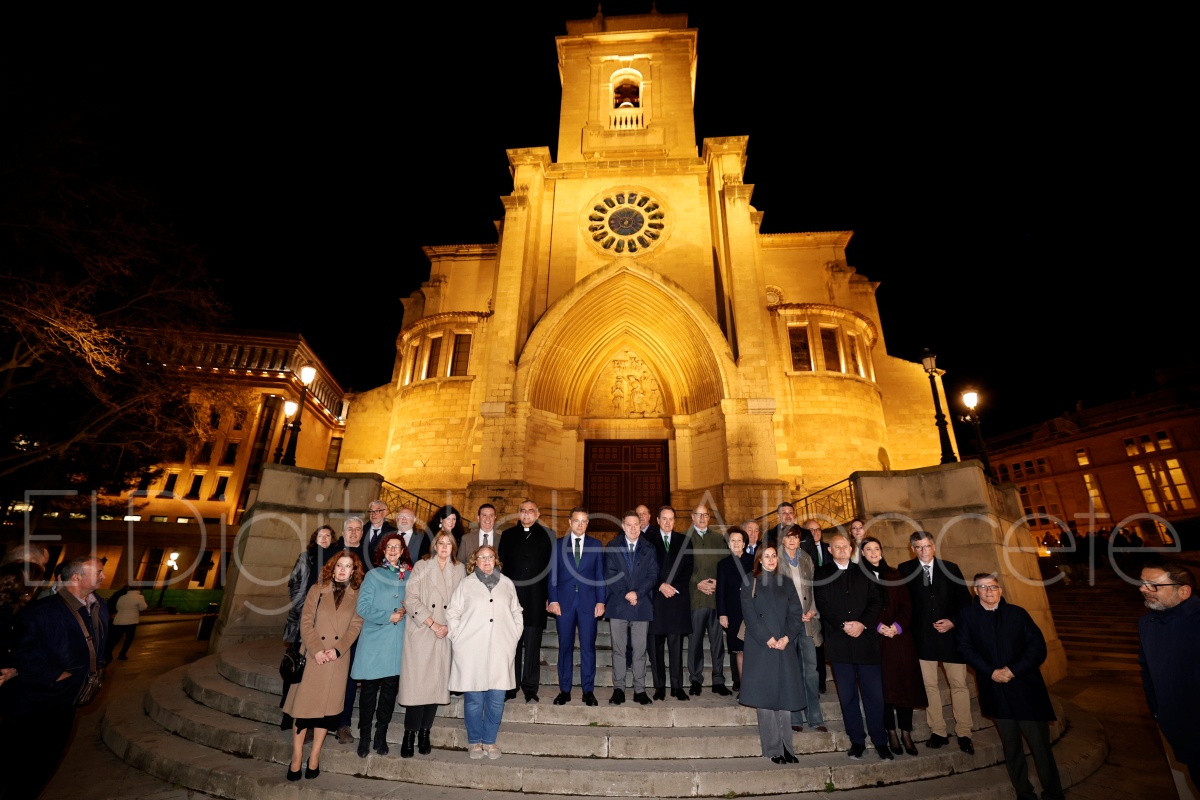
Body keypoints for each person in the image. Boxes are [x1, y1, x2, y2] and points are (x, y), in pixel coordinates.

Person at [1, 555, 109, 799]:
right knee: (17, 764)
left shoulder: (100, 605)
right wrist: (56, 675)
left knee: (44, 765)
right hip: (37, 702)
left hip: (69, 702)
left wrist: (102, 663)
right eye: (98, 572)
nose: (103, 576)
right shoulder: (42, 611)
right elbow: (21, 654)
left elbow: (102, 642)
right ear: (76, 577)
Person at [957, 573, 1065, 800]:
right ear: (976, 591)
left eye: (993, 587)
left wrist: (1013, 670)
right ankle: (1024, 793)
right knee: (1012, 747)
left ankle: (1053, 793)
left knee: (1040, 746)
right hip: (996, 691)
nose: (989, 591)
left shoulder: (1017, 613)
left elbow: (1037, 647)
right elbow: (965, 649)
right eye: (983, 587)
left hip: (1026, 689)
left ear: (1000, 590)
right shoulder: (967, 616)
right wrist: (991, 672)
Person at [281, 552, 364, 781]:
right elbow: (306, 621)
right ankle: (297, 756)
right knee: (303, 711)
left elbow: (355, 626)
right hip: (312, 655)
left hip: (337, 659)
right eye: (339, 565)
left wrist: (337, 650)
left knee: (325, 714)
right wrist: (317, 649)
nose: (342, 570)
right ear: (332, 567)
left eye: (348, 566)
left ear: (353, 571)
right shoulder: (317, 589)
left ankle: (315, 756)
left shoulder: (357, 594)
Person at [813, 534, 891, 760]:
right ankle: (857, 740)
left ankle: (880, 740)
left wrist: (862, 624)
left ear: (851, 549)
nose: (841, 549)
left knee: (874, 695)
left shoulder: (865, 571)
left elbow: (876, 602)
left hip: (866, 642)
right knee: (847, 696)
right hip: (839, 642)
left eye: (845, 546)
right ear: (830, 550)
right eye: (837, 547)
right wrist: (843, 624)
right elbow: (822, 603)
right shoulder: (822, 574)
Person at [898, 530, 975, 753]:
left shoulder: (951, 568)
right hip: (922, 638)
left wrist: (953, 621)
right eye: (919, 547)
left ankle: (964, 732)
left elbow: (965, 601)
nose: (924, 551)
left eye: (927, 546)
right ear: (912, 549)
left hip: (951, 637)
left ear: (934, 546)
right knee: (929, 686)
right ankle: (938, 731)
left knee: (958, 685)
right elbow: (903, 603)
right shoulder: (905, 569)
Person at [447, 545, 523, 760]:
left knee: (497, 699)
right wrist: (457, 636)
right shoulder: (466, 584)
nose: (487, 561)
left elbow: (516, 611)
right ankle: (474, 742)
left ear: (496, 560)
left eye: (490, 557)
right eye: (482, 558)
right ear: (475, 561)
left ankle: (489, 741)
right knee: (474, 700)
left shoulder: (507, 583)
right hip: (471, 649)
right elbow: (453, 611)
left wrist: (514, 635)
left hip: (501, 647)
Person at [399, 529, 466, 757]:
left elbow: (462, 602)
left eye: (449, 543)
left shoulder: (459, 569)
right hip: (422, 631)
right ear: (434, 545)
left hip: (445, 634)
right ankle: (409, 734)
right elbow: (411, 598)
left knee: (436, 686)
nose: (445, 547)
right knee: (418, 686)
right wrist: (433, 623)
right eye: (441, 543)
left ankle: (425, 732)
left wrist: (448, 626)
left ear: (453, 547)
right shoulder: (422, 566)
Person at [739, 545, 806, 765]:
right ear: (759, 559)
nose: (771, 559)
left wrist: (787, 637)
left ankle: (787, 747)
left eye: (774, 556)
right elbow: (749, 614)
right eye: (766, 556)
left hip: (783, 645)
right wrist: (767, 638)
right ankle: (772, 749)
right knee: (765, 698)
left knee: (785, 697)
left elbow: (795, 613)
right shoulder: (750, 580)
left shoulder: (786, 582)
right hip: (761, 645)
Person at [860, 537, 926, 756]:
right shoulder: (860, 576)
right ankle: (891, 732)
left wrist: (897, 626)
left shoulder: (895, 574)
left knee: (905, 685)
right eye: (868, 549)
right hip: (876, 639)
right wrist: (879, 626)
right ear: (862, 553)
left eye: (876, 548)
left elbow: (907, 605)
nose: (873, 552)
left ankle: (906, 732)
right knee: (884, 687)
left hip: (900, 638)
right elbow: (861, 607)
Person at [1138, 560, 1200, 785]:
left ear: (1183, 591)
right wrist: (1158, 712)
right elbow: (1146, 670)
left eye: (1153, 585)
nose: (1143, 589)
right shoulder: (1147, 623)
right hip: (1182, 732)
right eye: (1142, 583)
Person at [352, 532, 411, 758]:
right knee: (369, 691)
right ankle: (365, 735)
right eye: (389, 547)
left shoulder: (409, 576)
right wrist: (388, 616)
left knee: (388, 692)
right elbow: (362, 607)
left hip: (397, 642)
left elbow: (414, 603)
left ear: (403, 551)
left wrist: (407, 609)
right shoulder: (373, 575)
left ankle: (381, 734)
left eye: (397, 547)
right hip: (375, 641)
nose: (393, 550)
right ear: (383, 551)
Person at [496, 499, 553, 703]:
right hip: (512, 599)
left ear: (537, 514)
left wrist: (551, 596)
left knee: (532, 645)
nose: (527, 514)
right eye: (523, 510)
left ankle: (530, 687)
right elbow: (500, 567)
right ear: (519, 513)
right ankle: (511, 686)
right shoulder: (508, 535)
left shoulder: (549, 535)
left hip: (536, 598)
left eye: (530, 510)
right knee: (512, 645)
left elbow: (552, 569)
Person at [548, 507, 605, 706]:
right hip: (564, 603)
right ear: (570, 522)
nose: (580, 524)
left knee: (588, 647)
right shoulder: (558, 545)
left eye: (584, 521)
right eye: (576, 521)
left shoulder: (596, 545)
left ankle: (588, 691)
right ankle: (564, 690)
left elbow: (600, 576)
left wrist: (601, 601)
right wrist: (553, 600)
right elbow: (552, 575)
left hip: (588, 603)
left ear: (587, 524)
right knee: (565, 647)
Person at [281, 524, 337, 728]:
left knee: (312, 666)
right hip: (301, 618)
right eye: (321, 535)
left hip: (322, 621)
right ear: (315, 538)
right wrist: (305, 608)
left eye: (328, 535)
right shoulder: (305, 557)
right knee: (295, 663)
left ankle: (306, 711)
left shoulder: (334, 560)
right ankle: (287, 713)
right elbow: (294, 583)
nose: (324, 538)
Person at [605, 509, 658, 705]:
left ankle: (639, 690)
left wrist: (637, 593)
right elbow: (610, 573)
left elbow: (653, 574)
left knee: (639, 650)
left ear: (641, 526)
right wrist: (626, 593)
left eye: (637, 524)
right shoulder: (612, 546)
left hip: (641, 604)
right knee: (618, 650)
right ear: (623, 526)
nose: (633, 528)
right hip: (618, 604)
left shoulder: (649, 548)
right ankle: (618, 689)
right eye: (629, 525)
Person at [777, 527, 825, 733]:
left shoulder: (806, 558)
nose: (792, 540)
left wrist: (812, 610)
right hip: (786, 622)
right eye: (788, 537)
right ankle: (795, 715)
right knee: (791, 670)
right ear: (782, 539)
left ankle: (815, 717)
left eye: (796, 537)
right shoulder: (775, 557)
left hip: (807, 621)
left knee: (811, 671)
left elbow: (813, 587)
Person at [648, 505, 693, 701]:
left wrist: (673, 587)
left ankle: (677, 686)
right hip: (656, 601)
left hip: (676, 600)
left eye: (671, 519)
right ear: (658, 520)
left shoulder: (684, 541)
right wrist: (660, 585)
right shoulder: (648, 541)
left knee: (676, 647)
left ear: (675, 521)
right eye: (664, 518)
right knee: (655, 647)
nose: (667, 522)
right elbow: (646, 569)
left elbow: (688, 569)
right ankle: (659, 686)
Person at [686, 503, 730, 696]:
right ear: (692, 516)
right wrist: (697, 582)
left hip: (715, 599)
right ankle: (695, 679)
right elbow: (682, 567)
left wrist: (719, 582)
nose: (702, 518)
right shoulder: (685, 538)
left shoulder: (718, 539)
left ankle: (718, 680)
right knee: (695, 641)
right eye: (698, 515)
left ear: (709, 518)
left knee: (717, 642)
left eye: (705, 515)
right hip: (695, 598)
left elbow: (726, 564)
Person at [333, 517, 370, 744]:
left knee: (348, 678)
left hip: (352, 628)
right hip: (328, 627)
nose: (354, 532)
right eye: (350, 529)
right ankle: (315, 721)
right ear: (343, 531)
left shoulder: (368, 555)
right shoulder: (331, 552)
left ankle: (343, 723)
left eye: (358, 529)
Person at [716, 527, 753, 691]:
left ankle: (757, 687)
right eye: (733, 540)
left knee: (754, 650)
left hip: (753, 610)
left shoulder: (754, 560)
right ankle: (745, 689)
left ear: (744, 544)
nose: (736, 543)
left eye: (739, 540)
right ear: (728, 544)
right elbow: (721, 591)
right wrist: (722, 613)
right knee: (739, 650)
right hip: (734, 612)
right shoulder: (723, 564)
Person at [105, 586, 148, 661]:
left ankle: (108, 653)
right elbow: (143, 607)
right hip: (131, 621)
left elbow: (117, 607)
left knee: (116, 638)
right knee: (128, 639)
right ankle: (122, 654)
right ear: (138, 589)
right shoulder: (140, 597)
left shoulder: (122, 597)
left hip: (119, 620)